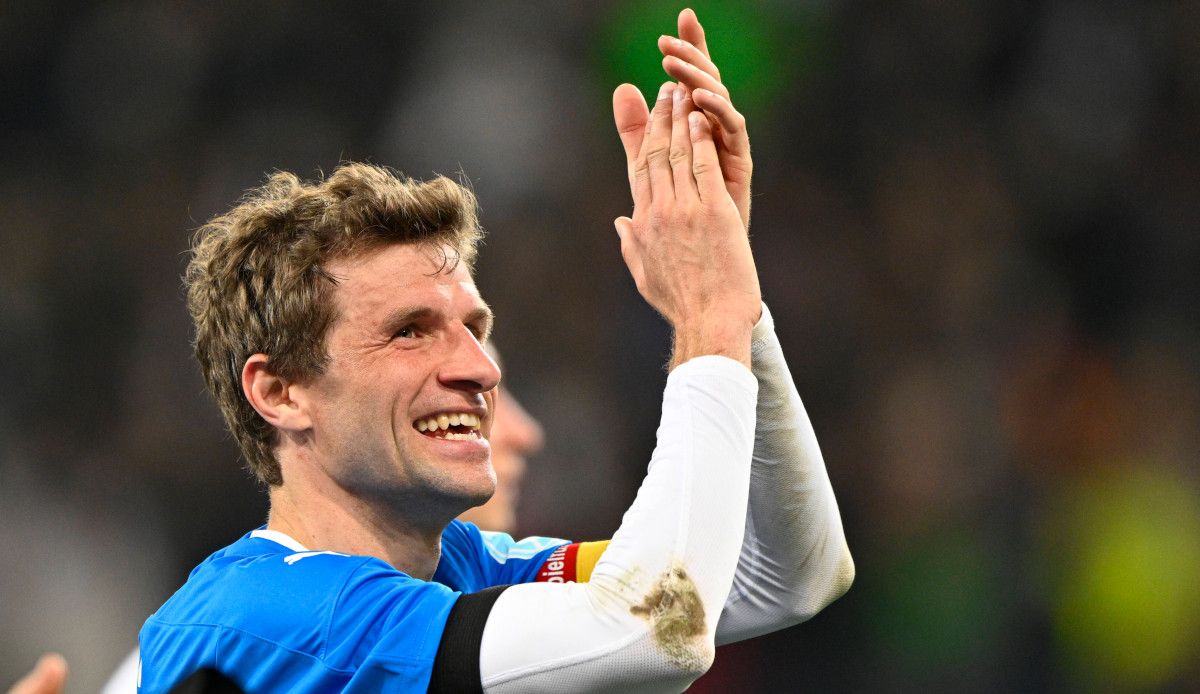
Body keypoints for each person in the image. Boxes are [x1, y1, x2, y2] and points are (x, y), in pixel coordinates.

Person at [116, 9, 848, 693]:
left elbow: (783, 578)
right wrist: (705, 315)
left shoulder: (466, 567)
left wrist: (736, 305)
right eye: (408, 331)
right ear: (280, 392)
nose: (480, 367)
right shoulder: (266, 616)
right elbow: (659, 628)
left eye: (473, 327)